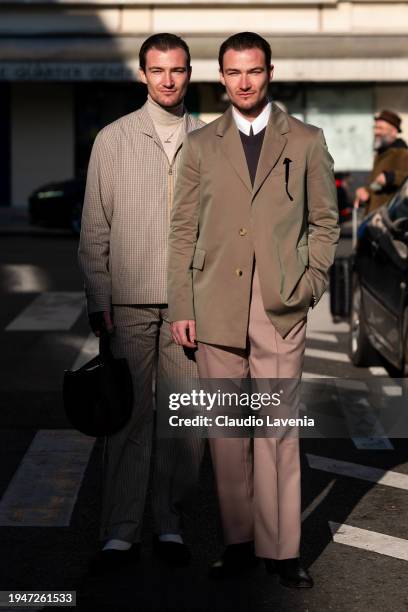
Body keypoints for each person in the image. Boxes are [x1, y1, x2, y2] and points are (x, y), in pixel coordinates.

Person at [167, 32, 339, 588]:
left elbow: (325, 224)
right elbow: (182, 231)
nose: (245, 82)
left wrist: (309, 285)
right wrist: (182, 303)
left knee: (277, 432)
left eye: (254, 71)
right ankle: (238, 543)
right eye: (234, 73)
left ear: (270, 73)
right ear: (221, 77)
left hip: (279, 307)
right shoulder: (199, 146)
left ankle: (282, 551)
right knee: (226, 433)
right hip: (214, 306)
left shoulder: (307, 140)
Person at [78, 33, 204, 571]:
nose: (168, 80)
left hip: (190, 306)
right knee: (127, 418)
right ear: (143, 74)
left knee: (184, 421)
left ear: (189, 73)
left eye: (177, 70)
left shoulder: (210, 139)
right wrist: (99, 296)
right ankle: (121, 531)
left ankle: (169, 523)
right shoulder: (113, 138)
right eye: (158, 70)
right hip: (127, 301)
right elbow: (93, 228)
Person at [355, 110, 408, 216]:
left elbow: (405, 179)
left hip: (392, 224)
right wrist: (366, 191)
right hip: (375, 222)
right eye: (375, 128)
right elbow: (378, 185)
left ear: (393, 131)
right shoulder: (380, 155)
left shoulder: (403, 153)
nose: (376, 132)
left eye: (381, 128)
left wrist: (391, 177)